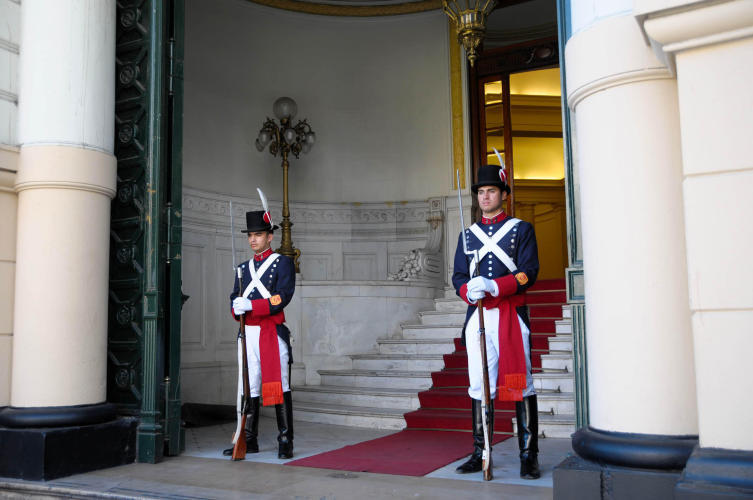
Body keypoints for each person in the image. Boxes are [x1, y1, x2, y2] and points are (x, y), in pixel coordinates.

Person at [452, 163, 541, 479]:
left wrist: (496, 285)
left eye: (491, 191)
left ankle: (528, 456)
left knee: (519, 383)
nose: (485, 196)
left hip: (510, 315)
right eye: (480, 192)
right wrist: (468, 290)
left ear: (503, 194)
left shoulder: (521, 229)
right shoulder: (468, 235)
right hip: (478, 316)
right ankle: (481, 451)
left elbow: (528, 272)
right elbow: (458, 276)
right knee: (478, 383)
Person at [222, 209, 296, 459]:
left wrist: (253, 305)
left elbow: (283, 296)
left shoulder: (282, 262)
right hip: (247, 333)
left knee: (280, 385)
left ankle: (285, 440)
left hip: (270, 332)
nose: (253, 239)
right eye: (250, 235)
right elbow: (235, 297)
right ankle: (248, 440)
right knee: (249, 386)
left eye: (258, 235)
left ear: (270, 237)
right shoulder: (242, 268)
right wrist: (236, 305)